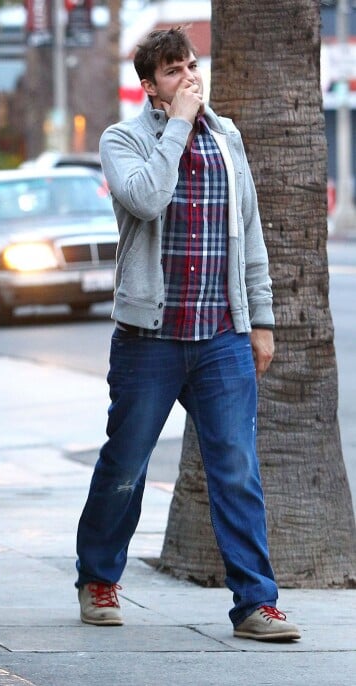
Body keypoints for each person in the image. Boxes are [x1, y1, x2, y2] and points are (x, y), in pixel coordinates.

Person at [75, 28, 301, 641]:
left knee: (236, 467)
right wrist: (176, 125)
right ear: (150, 85)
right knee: (126, 462)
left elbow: (249, 235)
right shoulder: (123, 139)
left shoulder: (228, 137)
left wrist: (262, 320)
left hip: (221, 335)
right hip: (149, 338)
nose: (189, 79)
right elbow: (146, 199)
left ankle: (256, 603)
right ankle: (97, 577)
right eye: (173, 71)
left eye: (191, 66)